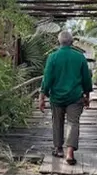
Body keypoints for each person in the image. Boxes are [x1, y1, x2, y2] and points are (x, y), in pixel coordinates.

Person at [38, 30, 93, 165]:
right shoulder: (79, 57)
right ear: (72, 42)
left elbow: (47, 78)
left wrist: (42, 96)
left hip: (57, 97)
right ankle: (70, 152)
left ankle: (58, 149)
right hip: (75, 97)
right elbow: (86, 78)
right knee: (73, 123)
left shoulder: (53, 57)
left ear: (59, 42)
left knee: (57, 122)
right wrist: (87, 95)